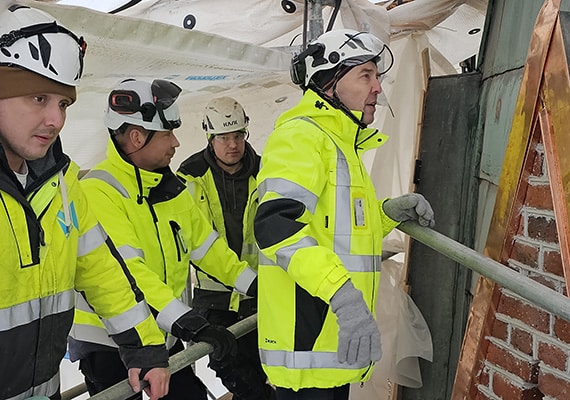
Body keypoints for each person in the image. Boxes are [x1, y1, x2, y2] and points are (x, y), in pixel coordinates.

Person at [253, 28, 436, 400]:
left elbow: (340, 232)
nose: (378, 88)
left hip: (333, 343)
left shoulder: (340, 143)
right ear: (328, 84)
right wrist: (344, 297)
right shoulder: (301, 137)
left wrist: (387, 213)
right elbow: (276, 226)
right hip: (307, 343)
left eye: (377, 76)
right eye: (365, 75)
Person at [0, 4, 170, 400]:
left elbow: (101, 270)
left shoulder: (61, 182)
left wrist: (144, 346)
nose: (56, 120)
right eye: (39, 98)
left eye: (63, 103)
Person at [68, 78, 258, 399]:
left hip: (162, 332)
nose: (176, 142)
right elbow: (130, 273)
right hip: (110, 342)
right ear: (137, 137)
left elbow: (208, 248)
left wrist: (256, 286)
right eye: (167, 133)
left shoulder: (170, 188)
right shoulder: (99, 192)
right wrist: (189, 322)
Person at [178, 97, 274, 400]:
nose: (232, 145)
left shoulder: (267, 171)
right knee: (227, 365)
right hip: (214, 296)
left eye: (238, 135)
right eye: (223, 137)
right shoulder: (189, 176)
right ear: (210, 137)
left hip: (257, 290)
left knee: (262, 365)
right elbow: (188, 238)